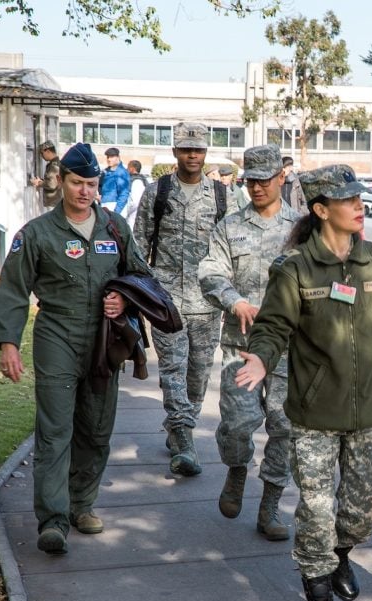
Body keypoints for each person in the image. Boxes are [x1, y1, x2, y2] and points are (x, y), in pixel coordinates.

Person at [236, 165, 372, 601]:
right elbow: (273, 327)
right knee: (316, 510)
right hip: (314, 415)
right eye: (347, 199)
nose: (359, 205)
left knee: (371, 503)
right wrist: (260, 357)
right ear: (320, 210)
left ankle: (339, 551)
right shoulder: (294, 269)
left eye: (359, 197)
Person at [0, 142, 152, 555]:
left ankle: (82, 504)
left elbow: (141, 277)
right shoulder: (37, 234)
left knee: (96, 429)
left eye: (91, 184)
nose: (84, 191)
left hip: (103, 342)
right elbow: (12, 290)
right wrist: (9, 343)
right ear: (61, 181)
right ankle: (52, 519)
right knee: (55, 431)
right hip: (57, 336)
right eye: (77, 182)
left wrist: (123, 298)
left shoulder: (116, 228)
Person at [198, 144, 299, 541]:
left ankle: (271, 504)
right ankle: (237, 469)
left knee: (284, 427)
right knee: (238, 424)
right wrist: (233, 300)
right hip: (240, 345)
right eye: (250, 180)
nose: (256, 187)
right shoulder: (229, 225)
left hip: (291, 350)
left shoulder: (301, 230)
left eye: (264, 179)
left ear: (281, 178)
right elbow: (210, 271)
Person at [133, 121, 225, 476]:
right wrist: (141, 292)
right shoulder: (158, 193)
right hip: (166, 300)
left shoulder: (220, 196)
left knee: (198, 374)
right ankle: (185, 441)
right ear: (175, 152)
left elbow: (229, 249)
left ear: (205, 154)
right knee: (172, 369)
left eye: (198, 150)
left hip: (207, 304)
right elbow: (140, 245)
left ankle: (179, 426)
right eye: (186, 149)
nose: (192, 155)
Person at [30, 140, 62, 208]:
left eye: (42, 153)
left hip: (53, 204)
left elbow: (52, 184)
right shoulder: (55, 163)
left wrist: (39, 183)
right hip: (54, 203)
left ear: (48, 151)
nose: (41, 156)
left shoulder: (54, 165)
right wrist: (41, 180)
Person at [100, 147, 130, 214]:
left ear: (118, 157)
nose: (109, 159)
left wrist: (116, 212)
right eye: (108, 157)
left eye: (112, 157)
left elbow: (124, 194)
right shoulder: (106, 171)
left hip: (114, 207)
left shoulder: (121, 172)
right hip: (104, 206)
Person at [123, 159, 149, 226]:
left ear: (132, 168)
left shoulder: (137, 181)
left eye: (128, 167)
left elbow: (135, 202)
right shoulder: (142, 179)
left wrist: (126, 212)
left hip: (134, 216)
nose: (127, 169)